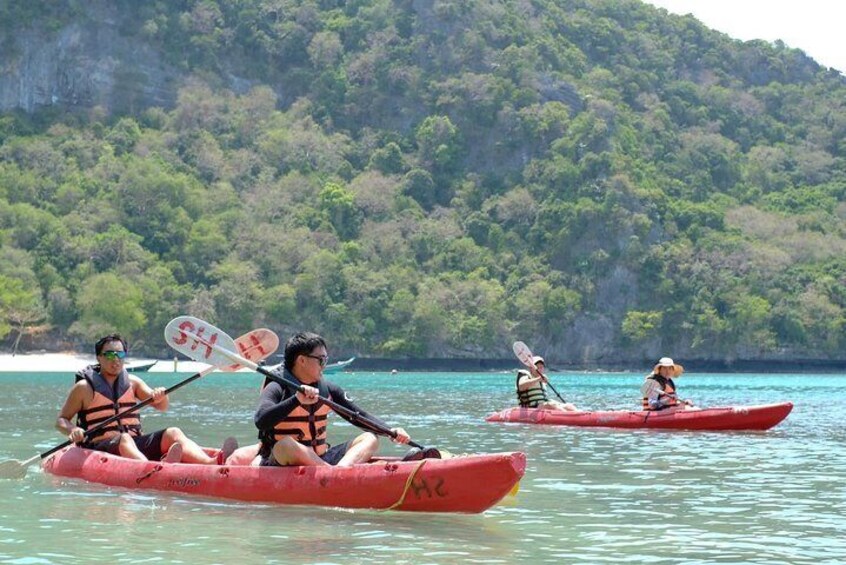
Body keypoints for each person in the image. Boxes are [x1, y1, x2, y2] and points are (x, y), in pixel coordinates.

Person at [56, 334, 237, 464]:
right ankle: (153, 469)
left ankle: (211, 463)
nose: (116, 360)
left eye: (120, 355)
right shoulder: (83, 388)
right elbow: (61, 420)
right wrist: (73, 429)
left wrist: (159, 396)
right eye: (110, 355)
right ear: (99, 357)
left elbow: (163, 407)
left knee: (173, 432)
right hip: (100, 446)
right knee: (124, 438)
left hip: (134, 444)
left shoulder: (132, 382)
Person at [254, 331, 411, 467]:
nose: (324, 365)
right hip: (282, 461)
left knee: (370, 438)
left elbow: (359, 416)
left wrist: (390, 431)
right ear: (302, 360)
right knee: (286, 445)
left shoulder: (328, 389)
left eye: (325, 359)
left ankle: (340, 471)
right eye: (321, 360)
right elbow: (261, 420)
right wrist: (296, 400)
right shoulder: (276, 387)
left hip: (322, 458)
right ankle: (329, 472)